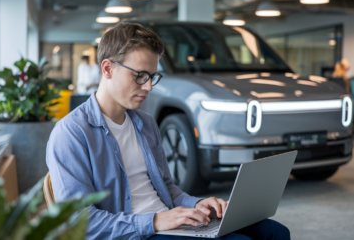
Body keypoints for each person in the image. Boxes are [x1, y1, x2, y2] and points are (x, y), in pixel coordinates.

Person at [46, 22, 290, 240]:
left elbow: (167, 189)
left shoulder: (146, 124)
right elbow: (79, 222)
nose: (149, 86)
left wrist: (199, 203)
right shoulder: (71, 133)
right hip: (136, 232)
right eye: (140, 76)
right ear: (108, 69)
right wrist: (155, 222)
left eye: (153, 76)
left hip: (171, 222)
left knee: (276, 232)